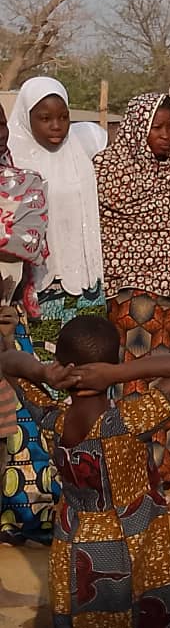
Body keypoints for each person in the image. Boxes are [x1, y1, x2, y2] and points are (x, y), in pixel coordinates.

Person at [1, 316, 170, 628]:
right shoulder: (127, 421)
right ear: (114, 362)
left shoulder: (51, 419)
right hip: (130, 545)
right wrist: (120, 373)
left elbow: (9, 363)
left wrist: (43, 372)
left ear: (63, 365)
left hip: (74, 546)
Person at [95, 93, 170, 494]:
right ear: (136, 127)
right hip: (138, 297)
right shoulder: (111, 170)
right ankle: (139, 478)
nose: (166, 136)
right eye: (157, 128)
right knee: (140, 384)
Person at [7, 77, 107, 357]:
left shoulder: (81, 149)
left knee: (90, 363)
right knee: (48, 368)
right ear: (27, 119)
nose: (56, 126)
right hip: (41, 287)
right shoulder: (13, 159)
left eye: (64, 117)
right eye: (45, 118)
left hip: (87, 284)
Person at [0, 101, 53, 546]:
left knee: (14, 421)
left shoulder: (27, 185)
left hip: (5, 316)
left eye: (0, 124)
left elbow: (26, 243)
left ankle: (21, 515)